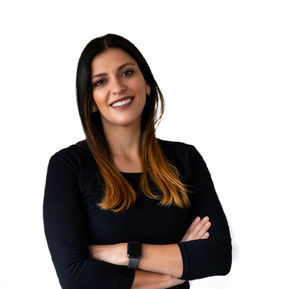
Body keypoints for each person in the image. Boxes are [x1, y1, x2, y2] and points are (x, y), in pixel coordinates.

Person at [43, 33, 232, 289]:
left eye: (127, 73)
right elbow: (75, 277)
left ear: (146, 82)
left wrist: (125, 253)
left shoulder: (185, 159)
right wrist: (175, 267)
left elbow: (218, 255)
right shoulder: (68, 167)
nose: (117, 87)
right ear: (90, 101)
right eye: (100, 82)